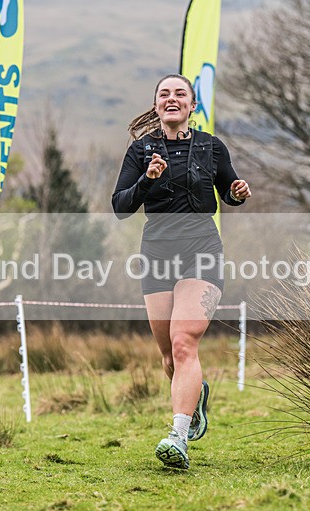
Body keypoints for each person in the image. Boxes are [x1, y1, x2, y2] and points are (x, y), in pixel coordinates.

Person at [112, 74, 251, 469]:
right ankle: (196, 394)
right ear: (156, 105)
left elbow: (228, 190)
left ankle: (178, 437)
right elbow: (120, 207)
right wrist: (147, 180)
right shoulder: (141, 151)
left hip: (201, 252)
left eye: (179, 94)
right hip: (157, 254)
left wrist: (236, 194)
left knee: (184, 342)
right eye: (164, 94)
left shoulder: (211, 147)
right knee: (169, 357)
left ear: (192, 104)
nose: (171, 99)